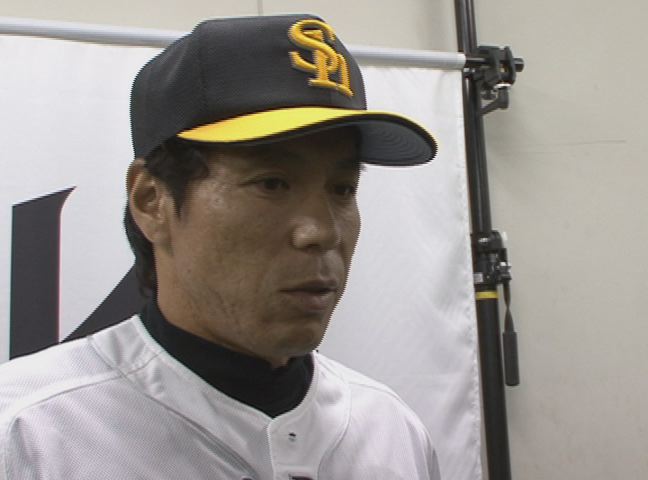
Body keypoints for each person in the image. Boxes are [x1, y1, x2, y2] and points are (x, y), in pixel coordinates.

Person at [0, 14, 441, 479]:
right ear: (151, 200)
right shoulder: (30, 432)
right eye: (272, 183)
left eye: (343, 188)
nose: (321, 232)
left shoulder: (391, 431)